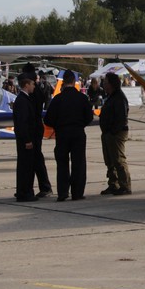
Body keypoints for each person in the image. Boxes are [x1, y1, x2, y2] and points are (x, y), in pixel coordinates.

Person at [44, 70, 94, 201]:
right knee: (79, 163)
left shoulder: (58, 99)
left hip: (62, 134)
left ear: (64, 82)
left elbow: (47, 119)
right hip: (78, 133)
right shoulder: (82, 98)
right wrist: (80, 124)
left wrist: (58, 125)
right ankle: (77, 192)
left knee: (62, 164)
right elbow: (89, 117)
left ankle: (63, 192)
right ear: (73, 82)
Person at [12, 72, 46, 202]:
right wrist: (27, 140)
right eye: (32, 84)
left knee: (26, 166)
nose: (34, 86)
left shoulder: (23, 99)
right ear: (26, 85)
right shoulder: (23, 101)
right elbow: (23, 122)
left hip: (25, 139)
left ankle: (25, 191)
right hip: (26, 140)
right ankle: (25, 192)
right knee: (26, 167)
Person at [99, 72, 132, 194]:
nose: (104, 84)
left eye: (106, 82)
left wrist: (113, 132)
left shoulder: (119, 97)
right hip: (108, 132)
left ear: (111, 84)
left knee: (118, 159)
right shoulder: (111, 96)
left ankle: (125, 185)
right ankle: (113, 183)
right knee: (109, 160)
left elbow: (122, 118)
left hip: (116, 133)